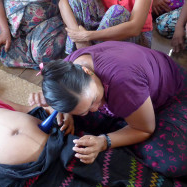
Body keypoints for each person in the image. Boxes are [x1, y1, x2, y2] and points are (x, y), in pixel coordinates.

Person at [29, 41, 187, 178]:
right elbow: (70, 96)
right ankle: (120, 121)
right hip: (131, 95)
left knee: (173, 162)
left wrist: (104, 142)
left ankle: (123, 127)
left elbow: (145, 129)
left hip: (172, 97)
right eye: (86, 109)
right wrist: (65, 111)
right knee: (65, 122)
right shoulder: (68, 70)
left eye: (95, 100)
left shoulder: (123, 82)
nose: (96, 108)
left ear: (87, 71)